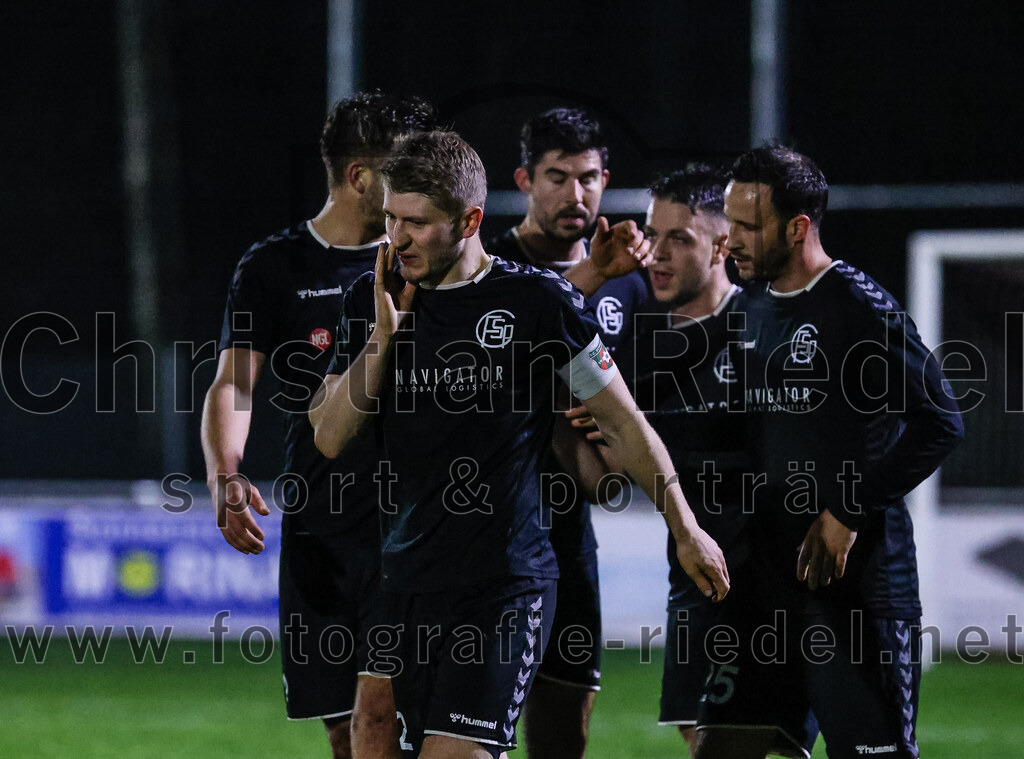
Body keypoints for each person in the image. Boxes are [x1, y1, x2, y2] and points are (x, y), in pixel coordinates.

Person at [309, 129, 729, 759]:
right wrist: (382, 339)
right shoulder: (372, 298)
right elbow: (329, 434)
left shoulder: (536, 302)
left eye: (416, 223)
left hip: (501, 585)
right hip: (400, 581)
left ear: (469, 220)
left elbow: (624, 422)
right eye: (392, 219)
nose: (397, 238)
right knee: (372, 735)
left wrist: (686, 527)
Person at [693, 144, 964, 759]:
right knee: (723, 748)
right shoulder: (752, 304)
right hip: (766, 584)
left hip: (854, 588)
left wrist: (847, 510)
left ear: (797, 228)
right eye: (728, 222)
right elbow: (744, 430)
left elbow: (942, 422)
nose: (729, 240)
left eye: (747, 226)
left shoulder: (858, 307)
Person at [201, 92, 436, 759]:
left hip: (412, 524)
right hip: (320, 534)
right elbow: (234, 383)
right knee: (344, 730)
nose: (419, 186)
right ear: (360, 175)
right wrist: (225, 474)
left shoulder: (428, 260)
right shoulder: (275, 266)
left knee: (384, 716)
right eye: (404, 170)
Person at [484, 107, 651, 759]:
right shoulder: (487, 262)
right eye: (557, 177)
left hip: (568, 529)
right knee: (470, 724)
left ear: (605, 180)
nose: (574, 194)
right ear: (525, 180)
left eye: (588, 178)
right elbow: (508, 339)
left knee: (564, 721)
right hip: (484, 524)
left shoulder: (630, 285)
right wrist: (592, 277)